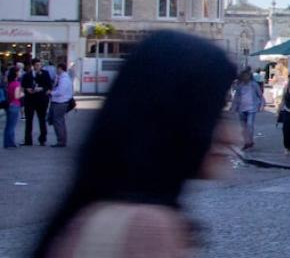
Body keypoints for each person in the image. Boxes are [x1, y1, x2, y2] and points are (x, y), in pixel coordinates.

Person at [31, 30, 237, 258]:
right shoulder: (145, 226)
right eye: (215, 114)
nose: (230, 136)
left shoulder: (102, 208)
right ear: (175, 117)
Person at [230, 68, 265, 151]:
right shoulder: (240, 86)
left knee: (249, 125)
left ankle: (249, 142)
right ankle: (246, 141)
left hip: (251, 108)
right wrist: (233, 107)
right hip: (242, 108)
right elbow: (236, 97)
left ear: (249, 77)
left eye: (247, 76)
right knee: (244, 126)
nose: (245, 77)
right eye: (244, 76)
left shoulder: (254, 85)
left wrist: (262, 104)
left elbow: (260, 95)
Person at [22, 58, 53, 146]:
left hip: (41, 100)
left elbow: (49, 86)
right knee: (29, 120)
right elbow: (23, 86)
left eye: (40, 65)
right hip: (30, 100)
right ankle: (28, 140)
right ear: (33, 66)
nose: (39, 67)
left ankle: (42, 139)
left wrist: (42, 88)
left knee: (42, 120)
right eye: (37, 65)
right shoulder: (27, 75)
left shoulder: (45, 73)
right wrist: (27, 89)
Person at [48, 62, 74, 148]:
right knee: (59, 121)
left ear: (60, 69)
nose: (56, 70)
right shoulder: (60, 78)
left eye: (57, 69)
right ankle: (61, 140)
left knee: (58, 122)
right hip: (59, 102)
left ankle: (61, 141)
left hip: (61, 102)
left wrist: (51, 93)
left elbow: (60, 92)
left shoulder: (64, 79)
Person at [5, 68, 22, 149]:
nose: (20, 72)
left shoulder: (10, 83)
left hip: (9, 104)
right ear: (16, 73)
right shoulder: (17, 83)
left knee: (8, 125)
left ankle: (7, 142)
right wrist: (22, 94)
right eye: (19, 71)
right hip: (15, 105)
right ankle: (11, 142)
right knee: (12, 125)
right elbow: (16, 96)